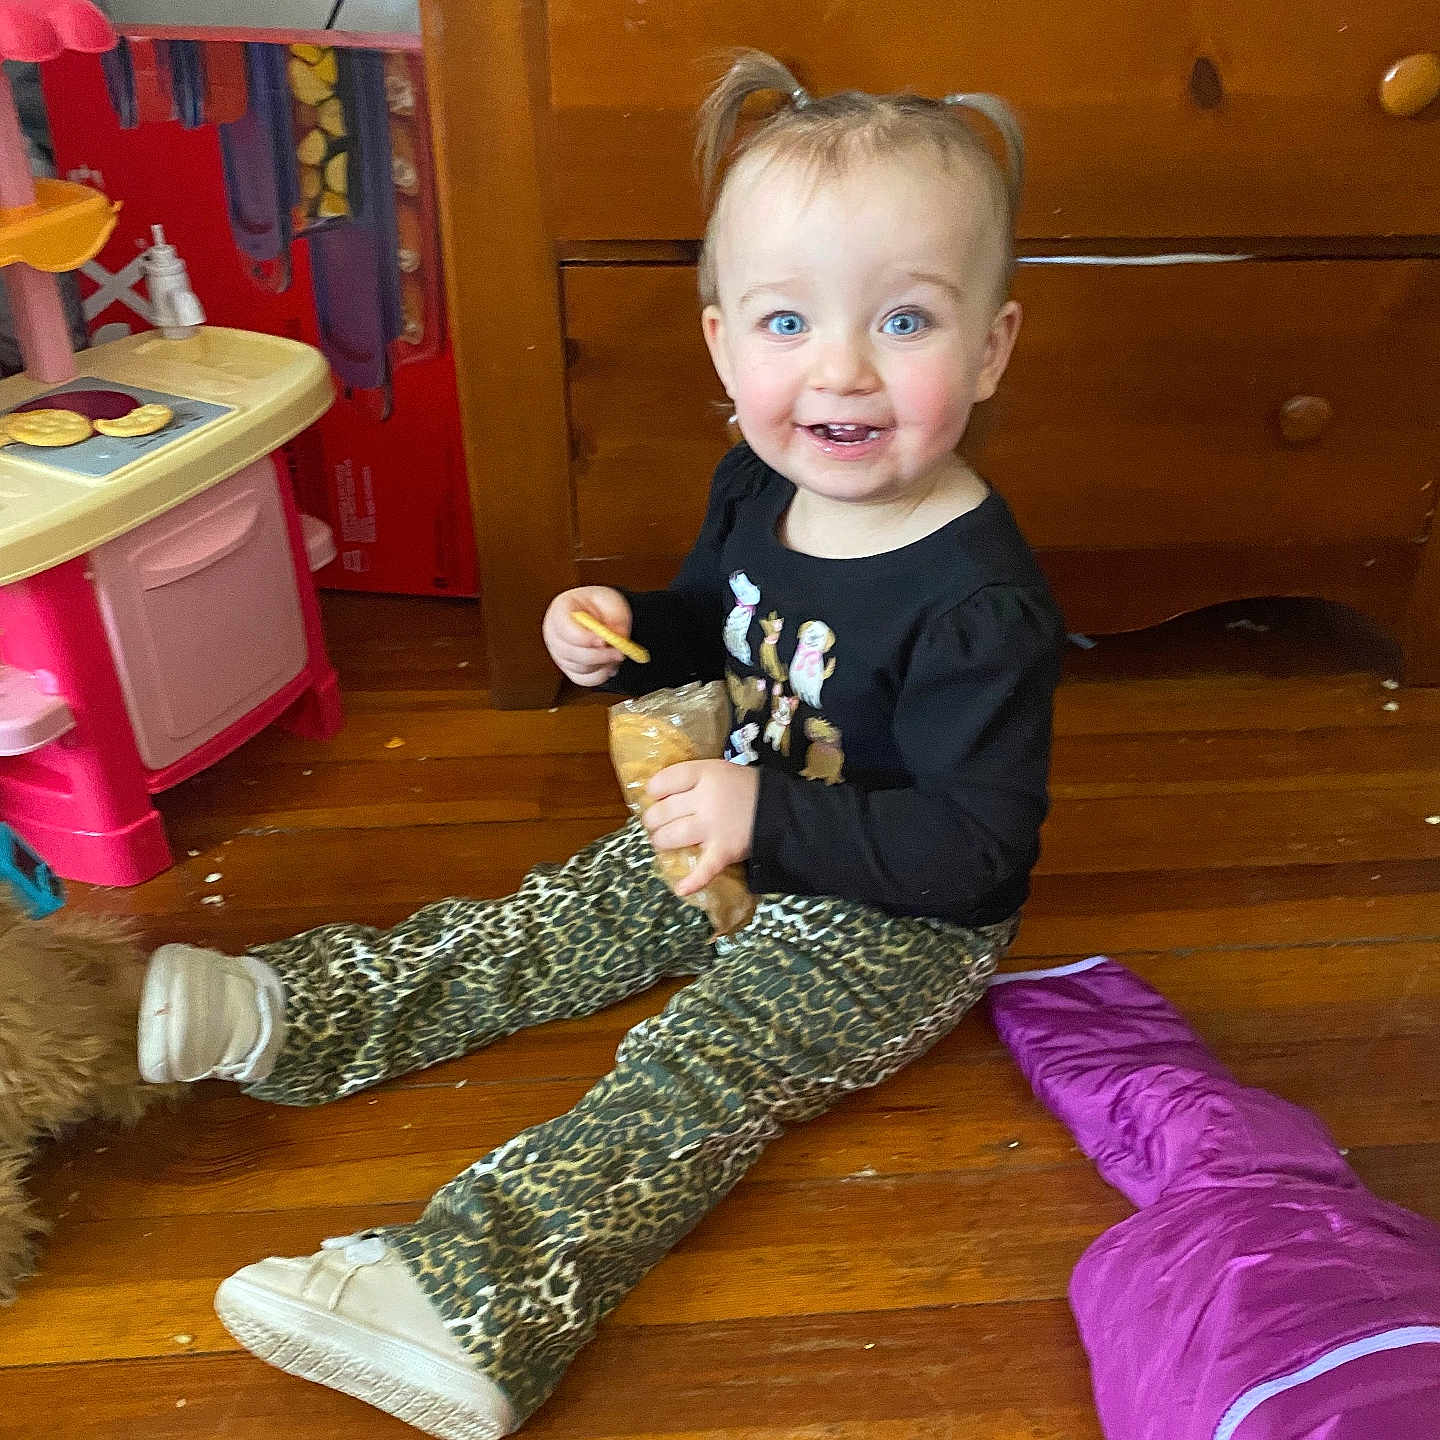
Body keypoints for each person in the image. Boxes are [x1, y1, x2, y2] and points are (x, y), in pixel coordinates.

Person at [137, 49, 1065, 1440]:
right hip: (739, 822)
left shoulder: (979, 603)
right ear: (723, 345)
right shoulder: (757, 484)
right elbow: (712, 622)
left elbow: (977, 848)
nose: (844, 369)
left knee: (706, 1061)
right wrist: (628, 629)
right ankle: (306, 1012)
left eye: (908, 320)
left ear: (990, 347)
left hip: (898, 918)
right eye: (789, 321)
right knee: (549, 922)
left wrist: (766, 817)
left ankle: (478, 1299)